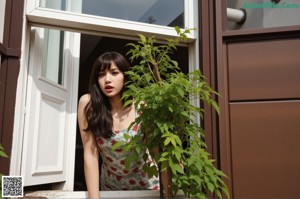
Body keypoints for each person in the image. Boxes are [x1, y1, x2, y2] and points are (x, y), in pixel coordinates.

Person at [77, 51, 160, 198]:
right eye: (101, 74)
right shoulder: (89, 105)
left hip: (148, 185)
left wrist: (167, 194)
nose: (107, 80)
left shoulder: (143, 106)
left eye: (114, 73)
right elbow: (90, 153)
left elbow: (157, 151)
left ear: (125, 76)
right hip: (111, 188)